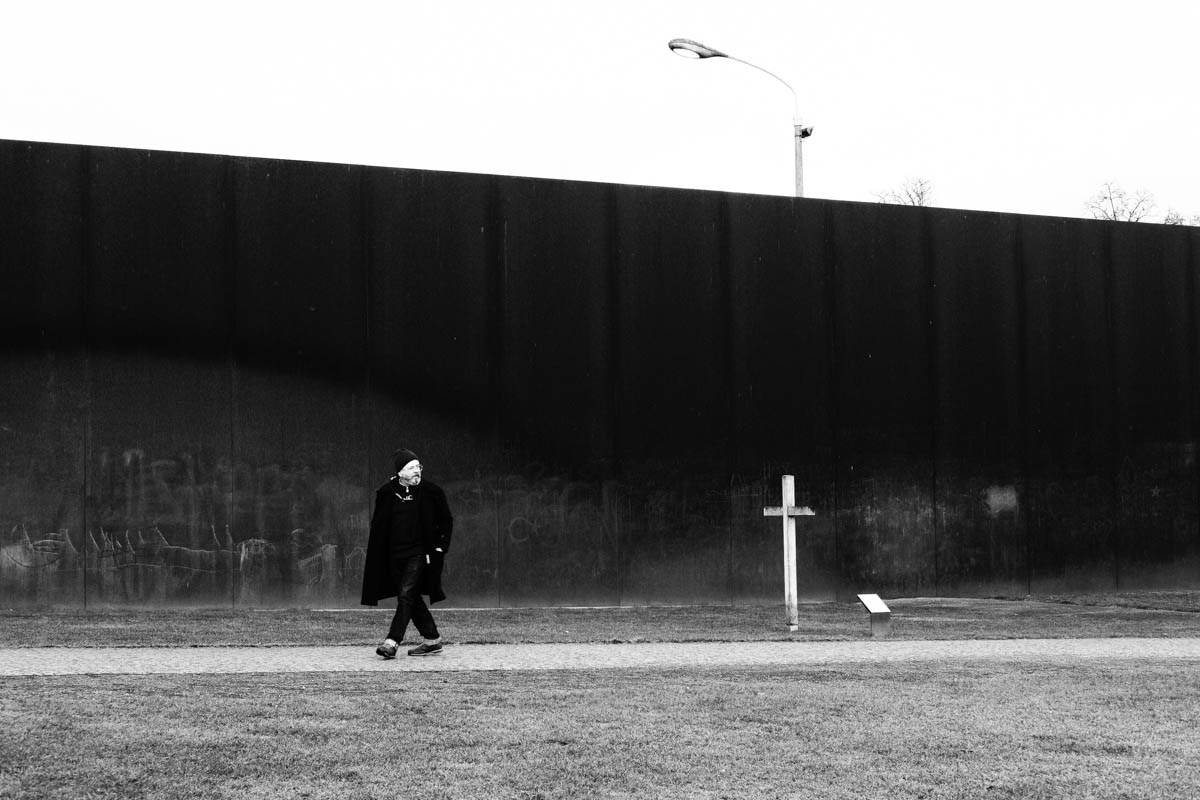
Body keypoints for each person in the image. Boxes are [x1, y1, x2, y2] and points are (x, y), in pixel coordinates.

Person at [360, 448, 453, 658]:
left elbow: (446, 520)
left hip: (419, 553)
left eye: (418, 467)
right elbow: (378, 525)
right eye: (411, 468)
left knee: (406, 594)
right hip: (394, 555)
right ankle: (432, 639)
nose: (416, 471)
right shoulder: (386, 493)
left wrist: (441, 546)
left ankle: (392, 642)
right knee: (410, 597)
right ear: (400, 472)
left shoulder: (431, 491)